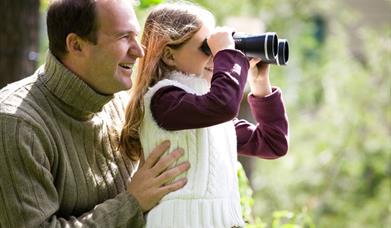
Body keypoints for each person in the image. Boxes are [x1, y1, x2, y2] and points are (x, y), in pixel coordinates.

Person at [0, 0, 191, 227]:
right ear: (76, 45)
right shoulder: (17, 124)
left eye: (136, 36)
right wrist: (132, 204)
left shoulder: (122, 104)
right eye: (123, 37)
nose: (139, 51)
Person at [119, 2, 289, 228]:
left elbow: (272, 143)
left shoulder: (207, 113)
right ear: (169, 55)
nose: (214, 58)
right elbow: (222, 106)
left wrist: (259, 82)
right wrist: (227, 54)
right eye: (207, 48)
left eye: (215, 50)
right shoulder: (164, 101)